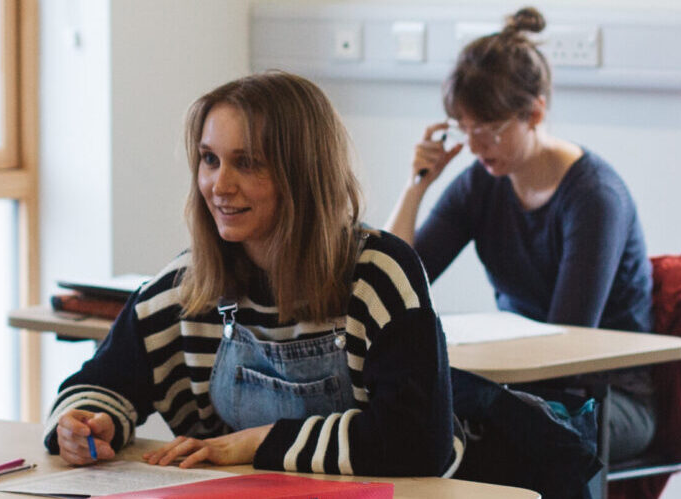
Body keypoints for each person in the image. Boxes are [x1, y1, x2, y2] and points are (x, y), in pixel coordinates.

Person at [42, 71, 460, 477]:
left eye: (247, 163)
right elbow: (95, 387)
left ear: (303, 174)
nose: (220, 185)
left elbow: (418, 445)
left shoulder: (380, 276)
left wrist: (254, 442)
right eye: (210, 159)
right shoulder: (183, 289)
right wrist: (84, 425)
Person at [385, 7, 655, 463]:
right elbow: (393, 279)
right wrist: (417, 185)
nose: (473, 146)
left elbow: (567, 340)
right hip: (522, 390)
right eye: (464, 129)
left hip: (605, 399)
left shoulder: (594, 198)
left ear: (535, 112)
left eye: (488, 130)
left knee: (477, 440)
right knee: (403, 423)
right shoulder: (481, 183)